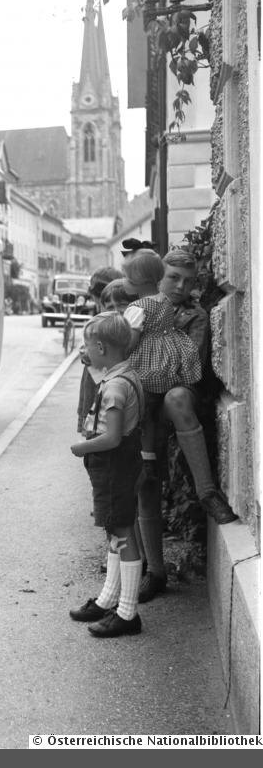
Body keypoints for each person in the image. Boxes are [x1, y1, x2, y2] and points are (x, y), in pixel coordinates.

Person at [135, 249, 237, 603]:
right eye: (173, 277)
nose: (180, 286)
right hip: (143, 402)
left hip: (177, 392)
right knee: (145, 481)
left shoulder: (196, 316)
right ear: (159, 277)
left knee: (177, 397)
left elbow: (186, 364)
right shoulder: (140, 308)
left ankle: (207, 492)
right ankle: (154, 571)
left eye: (188, 281)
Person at [69, 312, 145, 637]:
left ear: (100, 347)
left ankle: (127, 613)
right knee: (115, 530)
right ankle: (108, 599)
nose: (85, 351)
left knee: (122, 532)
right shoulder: (125, 375)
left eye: (87, 345)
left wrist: (81, 448)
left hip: (114, 465)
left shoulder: (114, 387)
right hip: (120, 465)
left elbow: (112, 438)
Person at [76, 266, 123, 434]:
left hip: (106, 381)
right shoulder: (107, 317)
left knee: (100, 424)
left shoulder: (110, 320)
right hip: (101, 380)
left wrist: (88, 354)